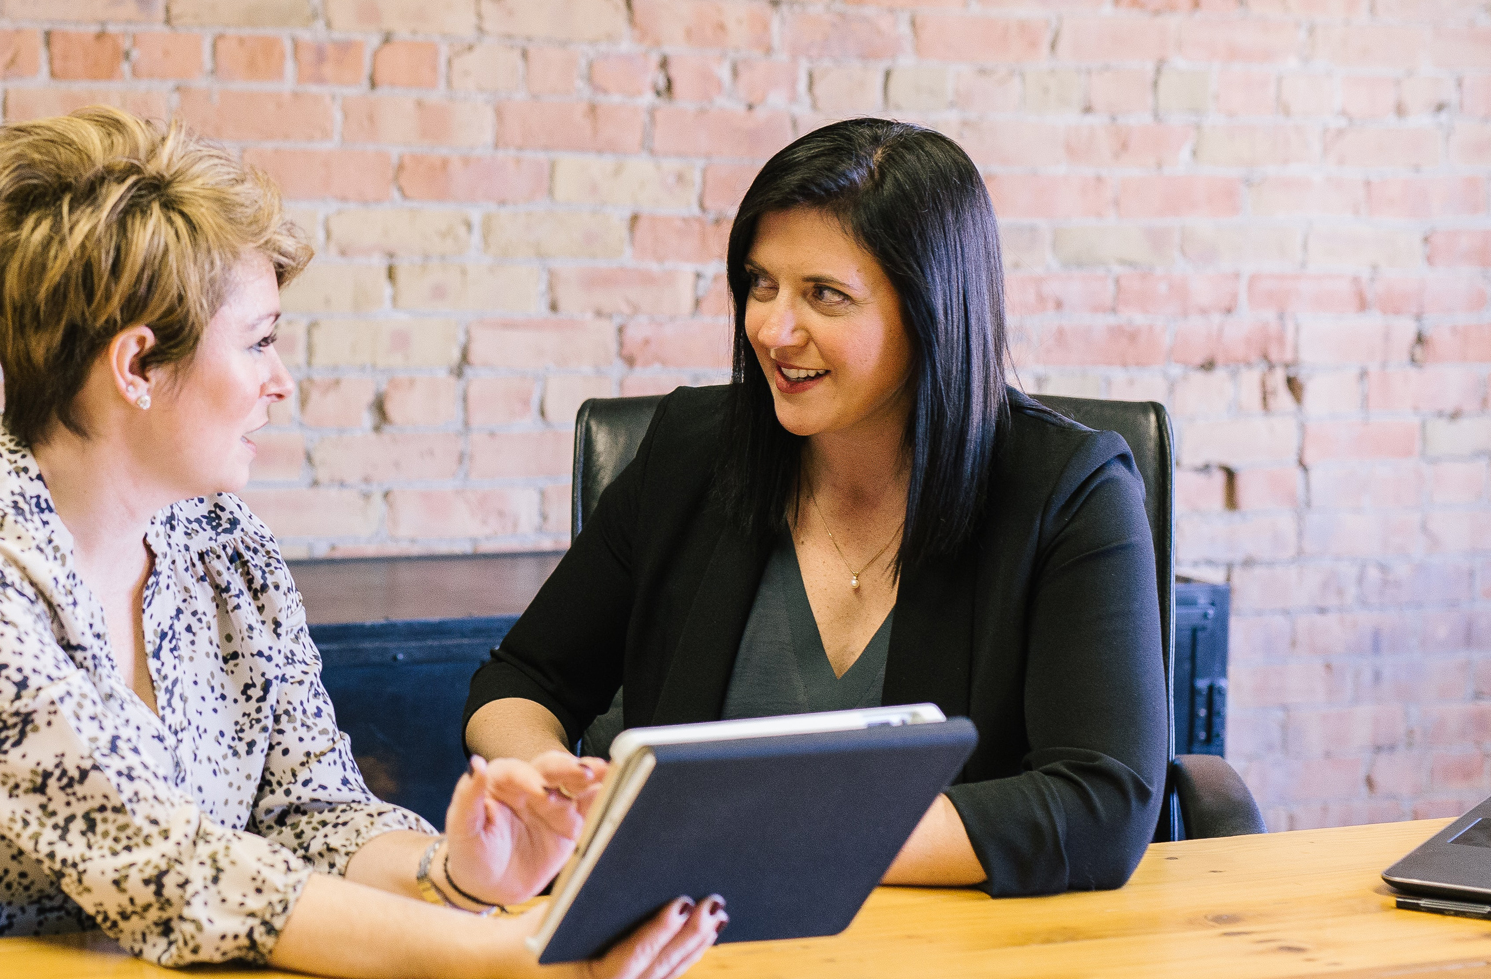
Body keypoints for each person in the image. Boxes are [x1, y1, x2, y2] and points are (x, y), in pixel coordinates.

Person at [0, 107, 722, 979]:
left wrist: (458, 875)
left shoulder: (217, 541)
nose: (281, 383)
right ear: (137, 365)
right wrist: (517, 953)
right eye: (257, 343)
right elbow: (176, 871)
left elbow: (310, 812)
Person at [465, 119, 1168, 898]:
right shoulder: (692, 452)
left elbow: (1101, 801)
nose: (772, 328)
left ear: (930, 308)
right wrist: (546, 783)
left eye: (824, 295)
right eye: (761, 285)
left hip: (954, 962)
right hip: (683, 949)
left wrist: (758, 839)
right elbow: (521, 679)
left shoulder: (1070, 490)